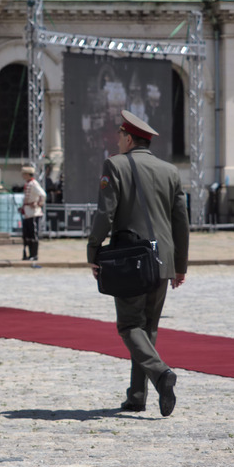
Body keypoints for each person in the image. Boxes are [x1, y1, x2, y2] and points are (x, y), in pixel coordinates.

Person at [87, 110, 189, 417]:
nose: (116, 139)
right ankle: (137, 395)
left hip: (131, 259)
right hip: (163, 259)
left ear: (129, 138)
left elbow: (105, 214)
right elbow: (181, 221)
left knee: (130, 325)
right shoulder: (170, 170)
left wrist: (93, 250)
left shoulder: (114, 165)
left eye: (119, 135)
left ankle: (160, 374)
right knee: (148, 327)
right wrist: (180, 264)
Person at [19, 165, 45, 261]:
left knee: (33, 234)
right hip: (27, 212)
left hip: (34, 212)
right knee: (27, 234)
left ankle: (34, 254)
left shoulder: (34, 184)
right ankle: (29, 254)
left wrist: (38, 203)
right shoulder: (28, 184)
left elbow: (42, 194)